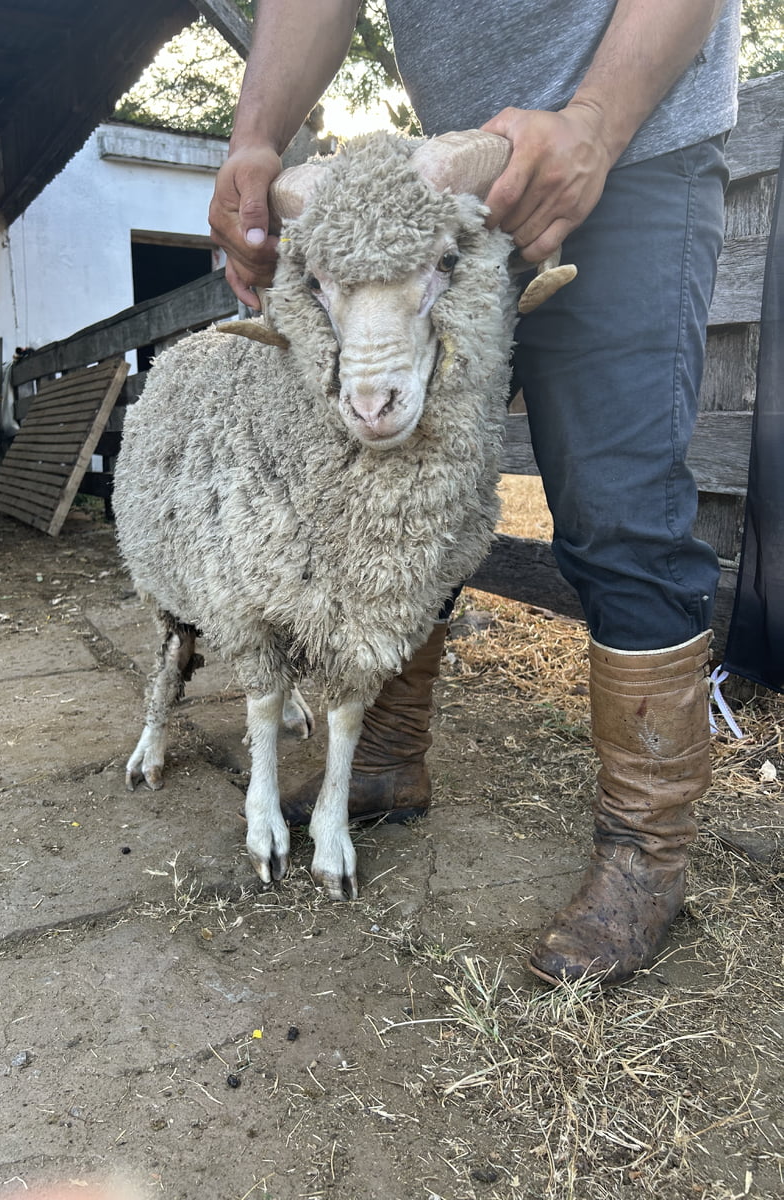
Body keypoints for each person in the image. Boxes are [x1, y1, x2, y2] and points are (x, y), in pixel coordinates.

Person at [207, 0, 742, 985]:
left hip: (634, 146)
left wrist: (595, 124)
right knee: (405, 490)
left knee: (619, 509)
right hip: (451, 186)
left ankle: (647, 850)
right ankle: (386, 755)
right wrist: (255, 137)